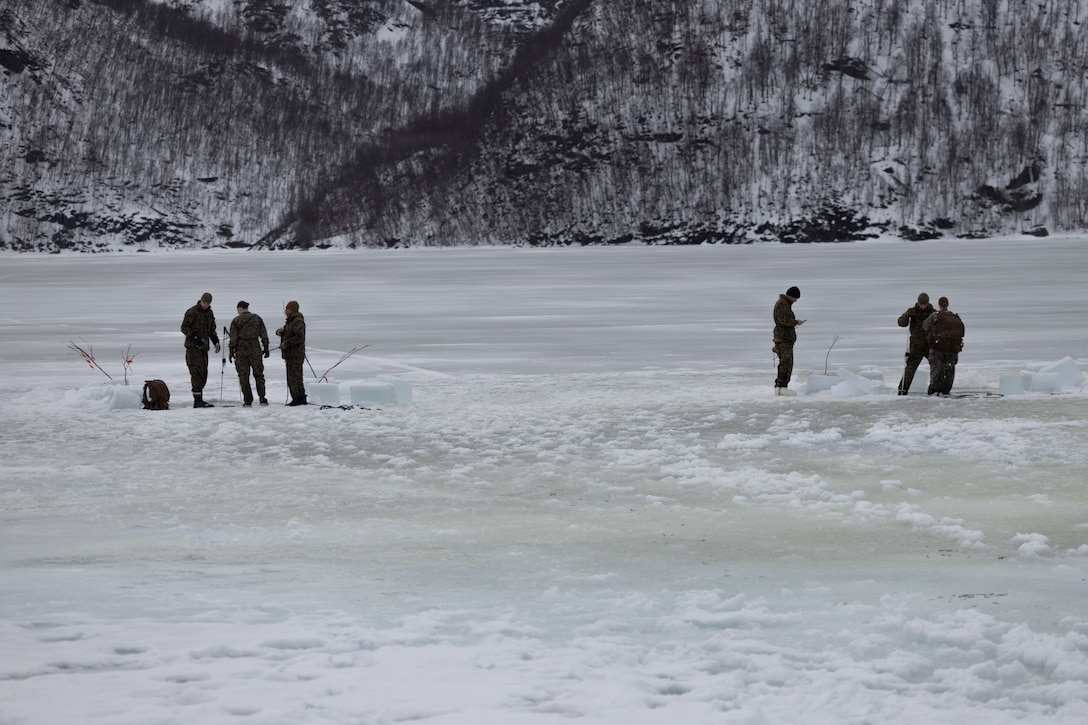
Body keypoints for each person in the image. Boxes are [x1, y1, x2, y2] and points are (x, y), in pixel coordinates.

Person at [180, 292, 220, 408]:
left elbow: (211, 329)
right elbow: (184, 328)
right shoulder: (192, 312)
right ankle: (197, 401)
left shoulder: (209, 313)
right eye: (203, 302)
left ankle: (199, 399)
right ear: (200, 301)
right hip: (193, 348)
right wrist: (195, 337)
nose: (205, 305)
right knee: (196, 373)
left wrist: (215, 341)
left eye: (207, 303)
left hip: (204, 349)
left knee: (203, 374)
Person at [228, 301, 271, 407]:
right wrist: (266, 348)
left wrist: (231, 351)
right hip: (255, 350)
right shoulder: (257, 319)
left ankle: (247, 400)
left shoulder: (236, 320)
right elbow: (264, 335)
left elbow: (233, 339)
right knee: (259, 375)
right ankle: (262, 398)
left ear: (240, 309)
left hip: (241, 351)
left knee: (243, 376)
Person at [923, 296, 965, 396]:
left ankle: (934, 391)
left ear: (939, 304)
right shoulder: (955, 317)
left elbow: (925, 326)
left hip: (938, 348)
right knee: (949, 370)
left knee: (936, 370)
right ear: (947, 304)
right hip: (952, 349)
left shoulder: (935, 316)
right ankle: (946, 391)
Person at [896, 292, 935, 395]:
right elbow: (901, 323)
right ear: (918, 302)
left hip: (929, 346)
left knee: (935, 367)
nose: (923, 306)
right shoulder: (912, 311)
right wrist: (907, 316)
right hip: (915, 346)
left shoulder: (933, 312)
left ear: (927, 303)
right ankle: (902, 390)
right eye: (921, 304)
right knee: (910, 369)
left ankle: (934, 390)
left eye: (924, 304)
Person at [772, 286, 805, 396]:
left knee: (787, 362)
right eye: (795, 298)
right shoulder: (782, 305)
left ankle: (782, 387)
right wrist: (796, 322)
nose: (796, 300)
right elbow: (784, 320)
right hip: (783, 338)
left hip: (785, 338)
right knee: (786, 362)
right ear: (791, 296)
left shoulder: (785, 304)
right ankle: (781, 387)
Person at [276, 300, 307, 406]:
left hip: (295, 354)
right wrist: (282, 333)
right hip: (290, 354)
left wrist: (286, 343)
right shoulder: (291, 321)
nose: (285, 310)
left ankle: (299, 398)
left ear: (292, 310)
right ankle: (297, 398)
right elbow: (290, 333)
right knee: (293, 377)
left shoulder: (297, 321)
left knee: (295, 377)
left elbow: (299, 337)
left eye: (287, 308)